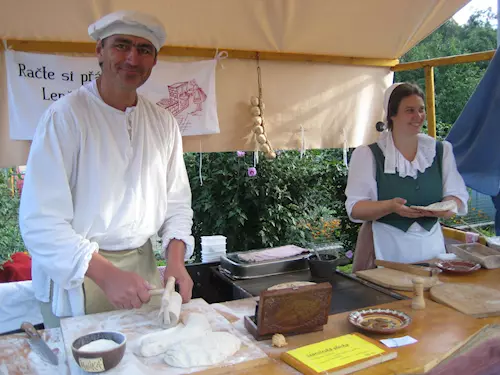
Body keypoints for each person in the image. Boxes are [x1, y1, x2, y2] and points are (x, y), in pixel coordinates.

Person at [18, 10, 195, 328]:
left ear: (154, 61)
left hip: (141, 268)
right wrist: (107, 275)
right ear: (99, 50)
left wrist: (175, 260)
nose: (132, 58)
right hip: (78, 273)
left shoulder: (164, 124)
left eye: (144, 50)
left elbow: (177, 203)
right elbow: (40, 222)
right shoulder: (65, 117)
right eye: (121, 45)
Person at [345, 83, 469, 268]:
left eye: (421, 110)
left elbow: (457, 196)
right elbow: (355, 208)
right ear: (392, 115)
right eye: (410, 110)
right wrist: (390, 206)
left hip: (431, 248)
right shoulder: (368, 155)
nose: (418, 116)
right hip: (386, 247)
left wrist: (446, 207)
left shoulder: (440, 151)